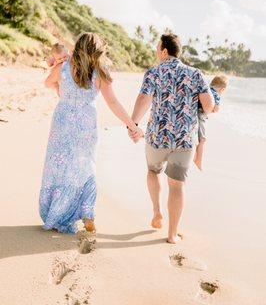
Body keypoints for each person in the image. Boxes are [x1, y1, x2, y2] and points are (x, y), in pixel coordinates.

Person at [39, 32, 142, 234]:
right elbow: (113, 102)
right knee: (84, 165)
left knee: (59, 165)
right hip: (86, 123)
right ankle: (87, 211)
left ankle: (57, 212)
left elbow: (47, 83)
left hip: (62, 120)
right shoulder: (100, 72)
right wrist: (132, 125)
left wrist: (59, 89)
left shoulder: (63, 67)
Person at [128, 34, 214, 244]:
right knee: (177, 186)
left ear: (165, 50)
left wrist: (133, 124)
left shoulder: (154, 72)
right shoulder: (195, 74)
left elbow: (143, 99)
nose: (157, 51)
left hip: (158, 137)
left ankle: (157, 212)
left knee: (153, 171)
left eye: (158, 48)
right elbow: (209, 106)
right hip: (184, 141)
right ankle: (172, 234)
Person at [194, 75, 228, 170]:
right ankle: (198, 161)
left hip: (192, 113)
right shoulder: (216, 94)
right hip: (199, 116)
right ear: (222, 89)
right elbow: (216, 109)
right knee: (202, 140)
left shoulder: (205, 89)